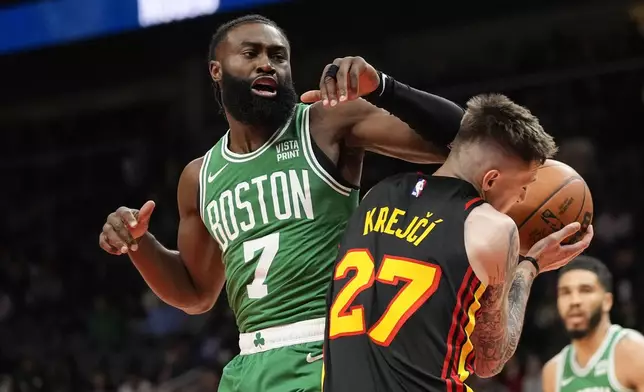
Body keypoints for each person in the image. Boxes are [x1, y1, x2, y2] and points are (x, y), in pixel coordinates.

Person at [98, 14, 466, 392]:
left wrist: (384, 88)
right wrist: (140, 244)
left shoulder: (324, 124)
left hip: (329, 346)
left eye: (278, 56)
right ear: (216, 70)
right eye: (250, 53)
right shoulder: (199, 176)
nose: (266, 64)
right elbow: (196, 294)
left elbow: (465, 139)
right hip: (250, 364)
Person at [321, 93, 594, 392]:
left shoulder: (376, 195)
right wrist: (530, 267)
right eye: (525, 186)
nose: (523, 199)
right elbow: (489, 360)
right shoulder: (492, 227)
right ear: (490, 180)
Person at [542, 256, 644, 392]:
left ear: (607, 301)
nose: (574, 301)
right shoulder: (553, 371)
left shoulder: (633, 351)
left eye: (585, 290)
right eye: (565, 292)